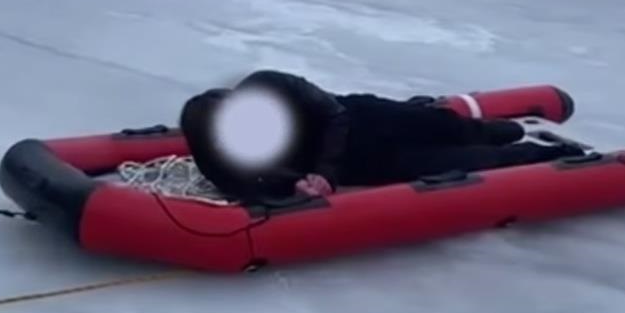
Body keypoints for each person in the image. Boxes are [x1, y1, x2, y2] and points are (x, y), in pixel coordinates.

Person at [179, 69, 583, 204]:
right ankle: (541, 154)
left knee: (451, 127)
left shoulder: (269, 84)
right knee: (465, 160)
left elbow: (334, 114)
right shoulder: (220, 157)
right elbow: (252, 188)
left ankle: (513, 128)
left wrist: (324, 172)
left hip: (366, 117)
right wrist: (298, 185)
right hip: (369, 163)